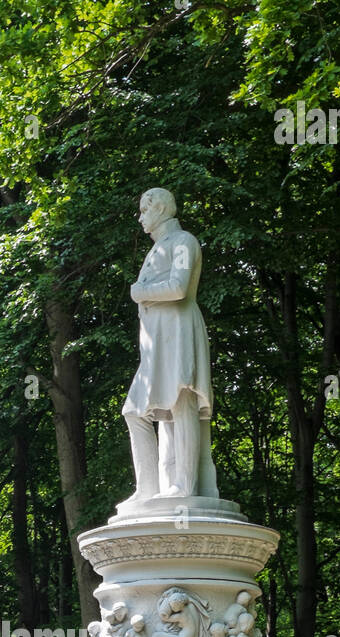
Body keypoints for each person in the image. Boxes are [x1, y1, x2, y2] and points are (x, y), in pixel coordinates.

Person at [120, 188, 216, 506]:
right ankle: (148, 489)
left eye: (144, 210)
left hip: (179, 330)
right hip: (157, 339)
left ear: (160, 209)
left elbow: (178, 286)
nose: (140, 217)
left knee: (180, 401)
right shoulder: (160, 247)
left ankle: (184, 487)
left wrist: (140, 292)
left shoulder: (184, 242)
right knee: (135, 410)